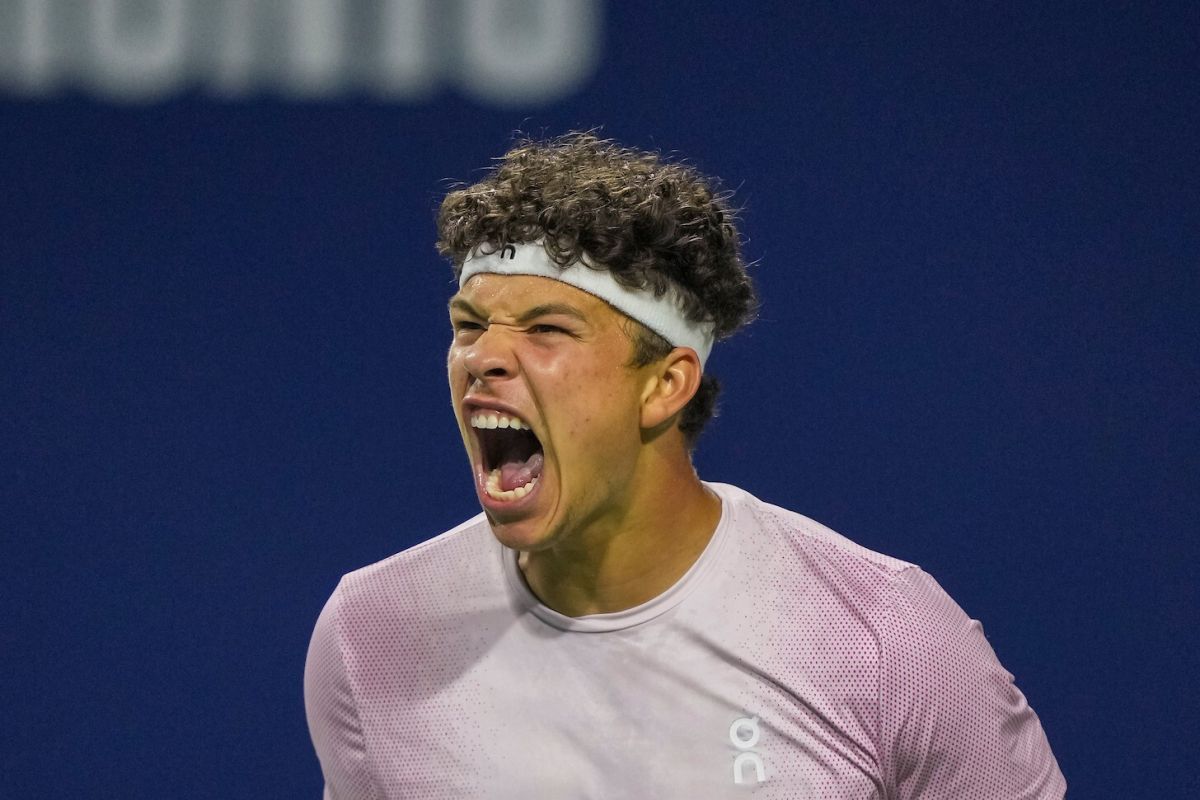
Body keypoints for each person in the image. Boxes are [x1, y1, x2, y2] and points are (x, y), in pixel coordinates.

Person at [304, 132, 1066, 798]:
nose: (483, 358)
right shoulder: (372, 635)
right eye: (468, 326)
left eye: (546, 329)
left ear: (666, 384)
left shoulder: (884, 641)